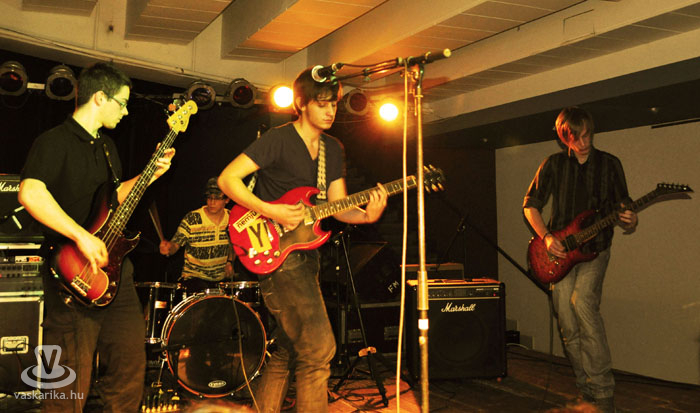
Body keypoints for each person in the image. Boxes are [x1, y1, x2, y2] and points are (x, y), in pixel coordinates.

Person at [217, 68, 388, 412]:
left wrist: (366, 215)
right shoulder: (278, 139)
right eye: (322, 103)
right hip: (274, 252)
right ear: (301, 103)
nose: (330, 111)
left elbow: (337, 206)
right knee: (319, 348)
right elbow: (227, 179)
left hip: (308, 255)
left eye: (333, 104)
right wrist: (271, 210)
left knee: (289, 349)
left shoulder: (333, 149)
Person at [18, 62, 175, 412]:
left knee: (130, 363)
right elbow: (30, 192)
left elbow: (113, 198)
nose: (126, 111)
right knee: (69, 379)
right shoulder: (54, 141)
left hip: (114, 270)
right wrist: (81, 237)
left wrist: (150, 174)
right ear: (100, 97)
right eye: (122, 102)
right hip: (71, 271)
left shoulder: (107, 147)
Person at [523, 107, 638, 413]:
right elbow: (530, 205)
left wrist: (630, 219)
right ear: (565, 138)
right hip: (559, 253)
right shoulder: (553, 164)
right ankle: (585, 385)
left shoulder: (610, 164)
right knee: (567, 321)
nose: (584, 142)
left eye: (587, 135)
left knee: (583, 304)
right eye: (576, 138)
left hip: (595, 249)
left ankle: (603, 391)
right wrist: (547, 238)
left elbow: (624, 207)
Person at [159, 177, 234, 293]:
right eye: (209, 198)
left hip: (220, 280)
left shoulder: (232, 218)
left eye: (217, 198)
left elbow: (234, 244)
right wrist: (169, 248)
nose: (212, 202)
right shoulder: (192, 218)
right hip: (194, 278)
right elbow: (176, 244)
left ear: (227, 200)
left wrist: (230, 261)